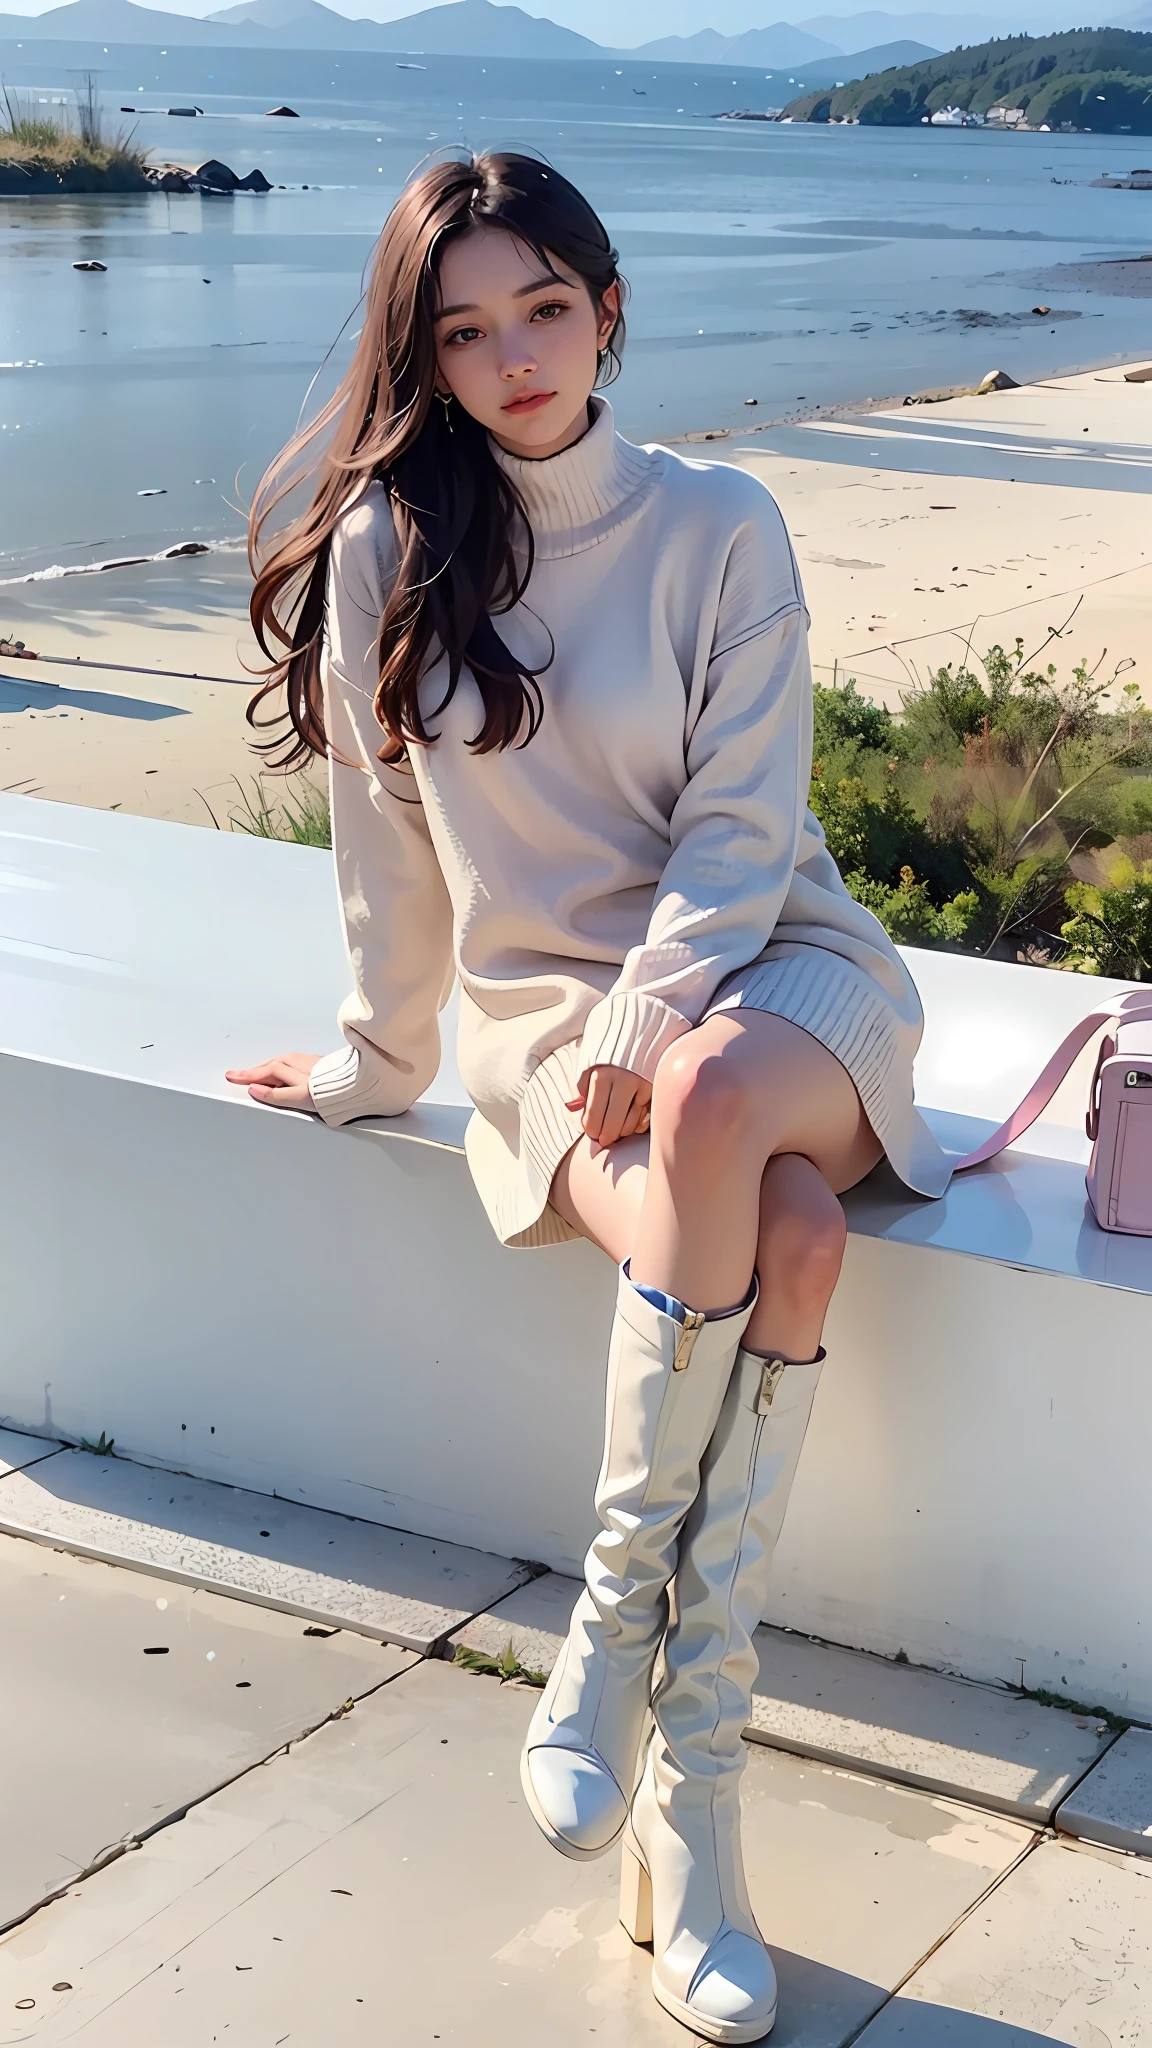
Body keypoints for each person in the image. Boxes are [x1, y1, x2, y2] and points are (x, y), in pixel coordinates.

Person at [227, 151, 951, 2045]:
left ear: (607, 306)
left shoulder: (726, 524)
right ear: (430, 360)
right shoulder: (393, 549)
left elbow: (741, 834)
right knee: (787, 1239)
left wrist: (659, 1012)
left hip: (779, 973)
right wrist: (375, 1060)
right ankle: (696, 1811)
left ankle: (605, 1641)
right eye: (465, 332)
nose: (516, 357)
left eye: (545, 307)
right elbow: (385, 855)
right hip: (551, 1021)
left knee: (717, 1099)